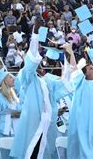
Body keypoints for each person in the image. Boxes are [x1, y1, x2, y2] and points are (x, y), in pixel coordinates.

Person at [10, 19, 75, 158]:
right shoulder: (27, 78)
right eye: (36, 61)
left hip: (48, 124)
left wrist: (68, 54)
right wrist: (35, 35)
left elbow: (65, 82)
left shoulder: (47, 81)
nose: (39, 61)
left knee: (45, 153)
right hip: (34, 123)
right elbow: (31, 61)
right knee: (31, 152)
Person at [0, 68, 21, 159]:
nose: (13, 79)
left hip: (14, 132)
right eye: (10, 77)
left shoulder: (14, 97)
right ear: (4, 81)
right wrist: (11, 115)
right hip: (2, 134)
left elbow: (19, 109)